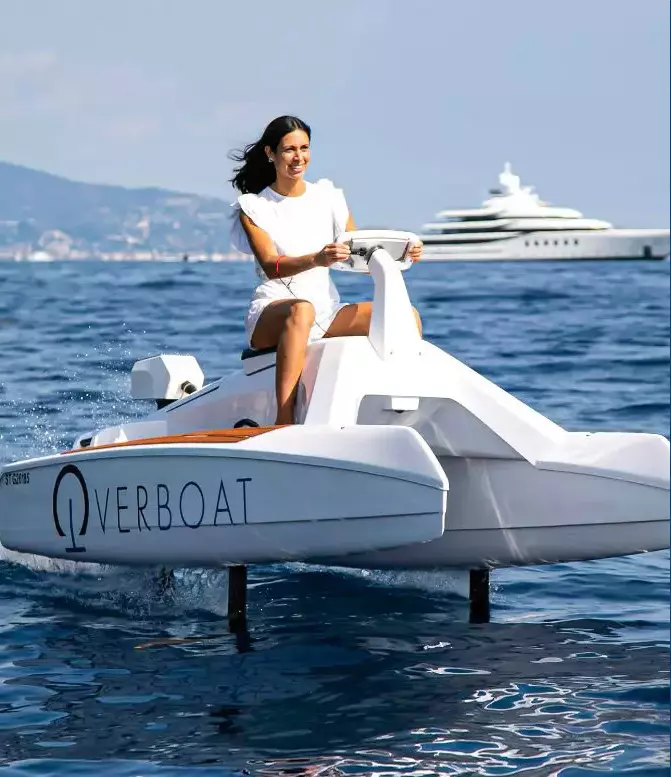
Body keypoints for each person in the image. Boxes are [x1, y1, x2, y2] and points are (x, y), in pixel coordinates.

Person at [229, 115, 422, 425]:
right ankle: (284, 421)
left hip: (326, 312)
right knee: (301, 311)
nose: (298, 157)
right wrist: (317, 259)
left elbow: (358, 253)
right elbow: (270, 265)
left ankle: (406, 410)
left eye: (304, 148)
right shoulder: (255, 207)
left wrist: (403, 253)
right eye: (289, 149)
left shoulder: (329, 198)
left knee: (406, 316)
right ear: (270, 154)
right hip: (274, 311)